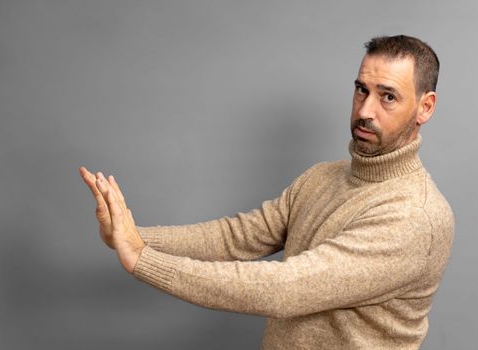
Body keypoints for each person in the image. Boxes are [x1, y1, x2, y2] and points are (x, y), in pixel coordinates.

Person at [80, 35, 454, 349]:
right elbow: (237, 238)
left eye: (388, 96)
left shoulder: (415, 215)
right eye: (361, 90)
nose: (365, 110)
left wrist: (143, 260)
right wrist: (130, 236)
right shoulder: (322, 178)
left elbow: (286, 288)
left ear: (425, 107)